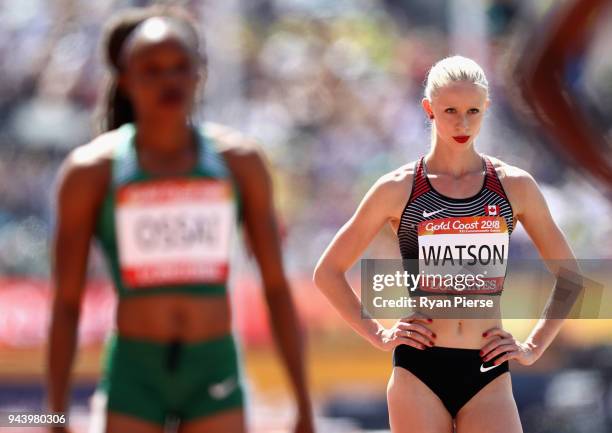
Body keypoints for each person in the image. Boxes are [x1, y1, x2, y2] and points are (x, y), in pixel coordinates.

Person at [47, 6, 313, 433]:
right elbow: (65, 303)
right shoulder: (91, 172)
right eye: (151, 70)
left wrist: (303, 403)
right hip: (136, 371)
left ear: (199, 74)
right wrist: (53, 415)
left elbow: (276, 286)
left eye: (180, 68)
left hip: (213, 367)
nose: (168, 80)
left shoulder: (240, 162)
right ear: (126, 79)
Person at [313, 55, 580, 432]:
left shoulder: (514, 186)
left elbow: (571, 276)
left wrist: (533, 346)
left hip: (488, 369)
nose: (462, 122)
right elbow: (327, 272)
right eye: (450, 110)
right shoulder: (399, 187)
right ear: (429, 109)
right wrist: (379, 334)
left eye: (473, 110)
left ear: (487, 108)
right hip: (419, 372)